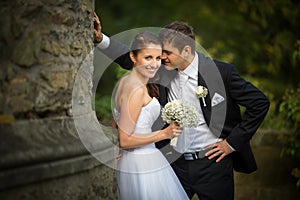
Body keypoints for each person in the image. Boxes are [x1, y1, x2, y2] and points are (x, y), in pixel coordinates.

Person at [94, 12, 270, 200]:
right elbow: (133, 58)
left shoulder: (221, 72)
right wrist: (100, 39)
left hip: (213, 165)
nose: (162, 57)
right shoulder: (163, 69)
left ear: (186, 50)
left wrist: (231, 143)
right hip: (174, 163)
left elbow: (260, 103)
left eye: (167, 52)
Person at [109, 31, 189, 200]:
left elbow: (117, 121)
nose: (154, 64)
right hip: (141, 162)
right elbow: (125, 140)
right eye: (148, 58)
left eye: (158, 58)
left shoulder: (125, 82)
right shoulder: (136, 90)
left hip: (139, 160)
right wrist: (164, 133)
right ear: (133, 56)